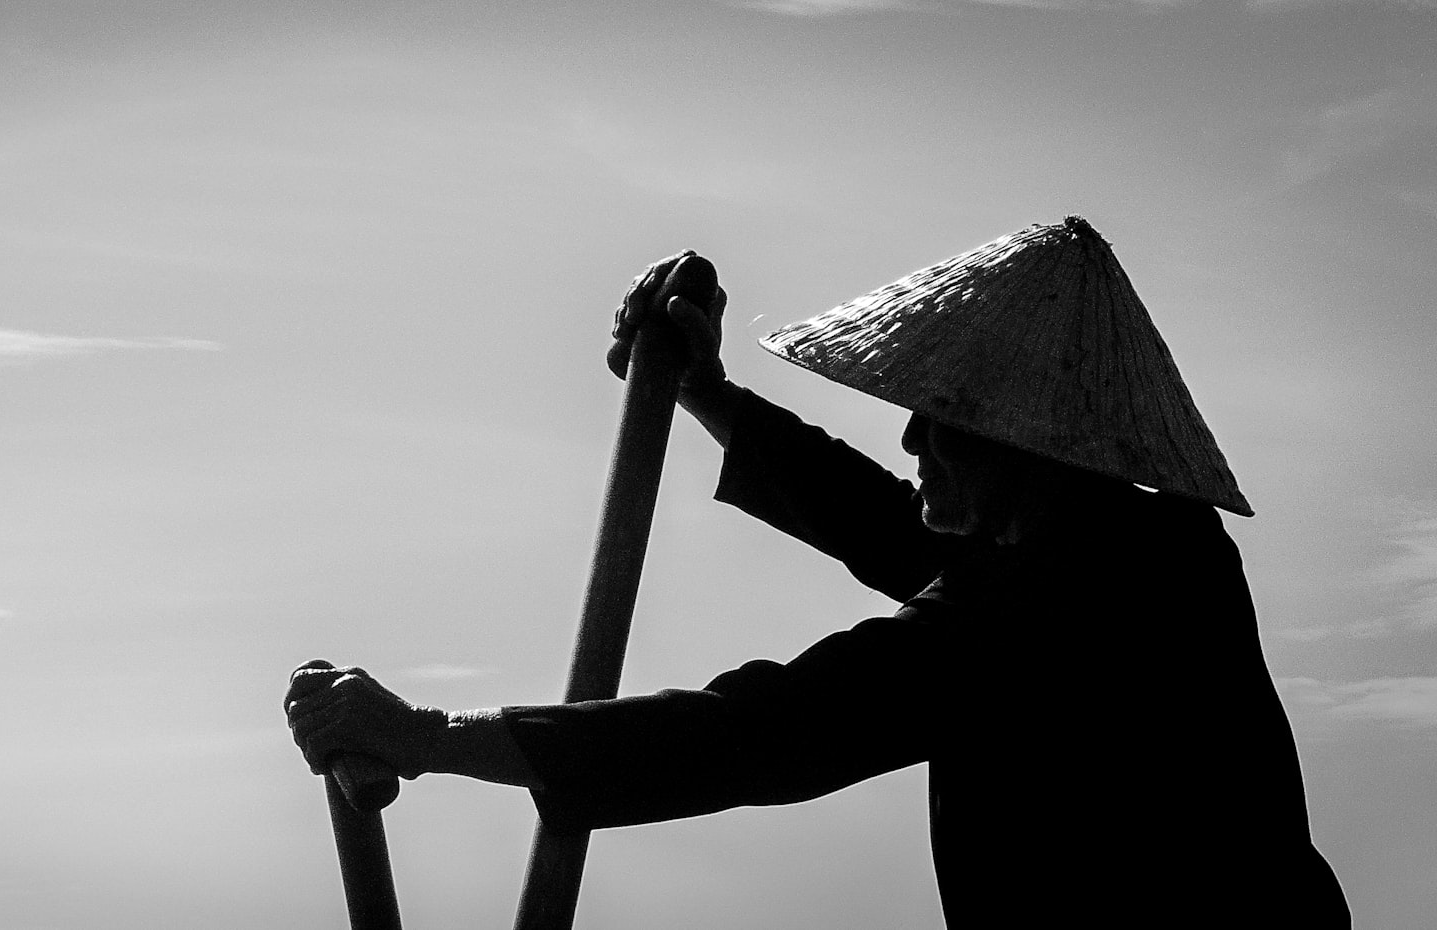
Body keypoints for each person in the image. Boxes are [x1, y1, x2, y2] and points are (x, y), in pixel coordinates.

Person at [284, 217, 1350, 928]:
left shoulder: (1076, 600)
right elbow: (898, 531)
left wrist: (428, 738)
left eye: (946, 422)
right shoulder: (1126, 553)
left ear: (1031, 444)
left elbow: (773, 730)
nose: (914, 442)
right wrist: (704, 393)